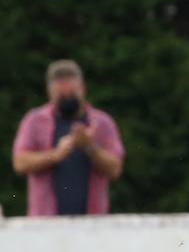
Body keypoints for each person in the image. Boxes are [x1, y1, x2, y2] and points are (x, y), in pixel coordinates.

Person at [12, 59, 125, 217]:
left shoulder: (102, 123)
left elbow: (115, 168)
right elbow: (20, 162)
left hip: (93, 224)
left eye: (71, 93)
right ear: (49, 92)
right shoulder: (34, 121)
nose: (67, 97)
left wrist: (89, 147)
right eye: (61, 94)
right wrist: (55, 155)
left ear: (83, 89)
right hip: (46, 224)